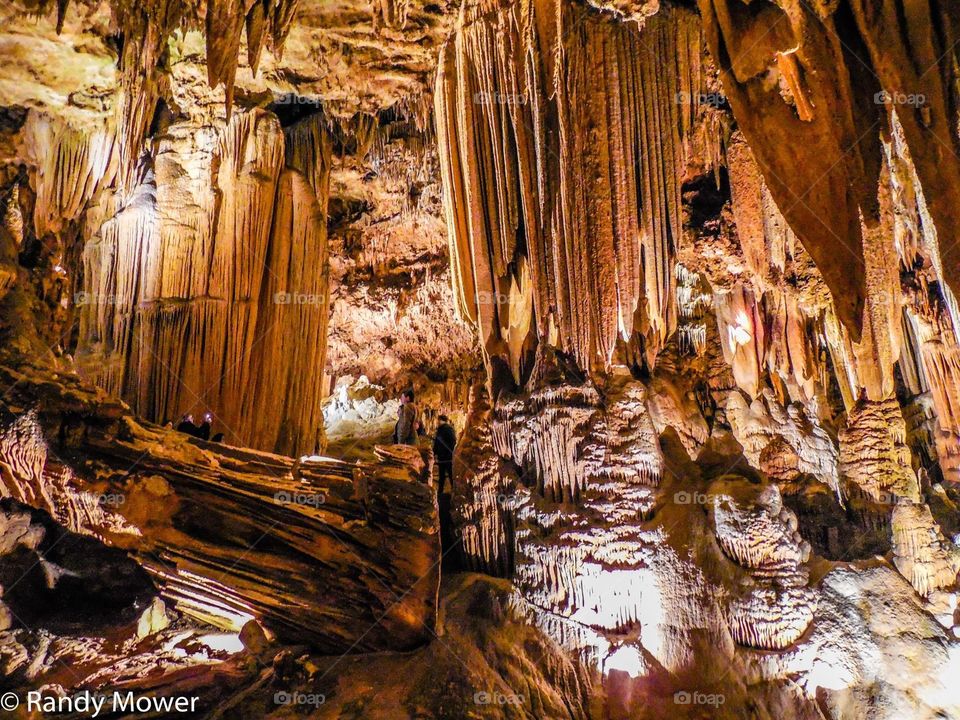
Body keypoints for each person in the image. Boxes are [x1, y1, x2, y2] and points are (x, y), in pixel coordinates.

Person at [433, 415, 457, 496]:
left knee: (449, 474)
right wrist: (434, 453)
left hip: (447, 457)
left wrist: (449, 453)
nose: (437, 422)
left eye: (438, 420)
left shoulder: (448, 430)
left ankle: (453, 490)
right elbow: (437, 443)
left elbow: (452, 443)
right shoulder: (440, 429)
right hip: (442, 456)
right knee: (442, 474)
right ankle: (441, 491)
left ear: (442, 420)